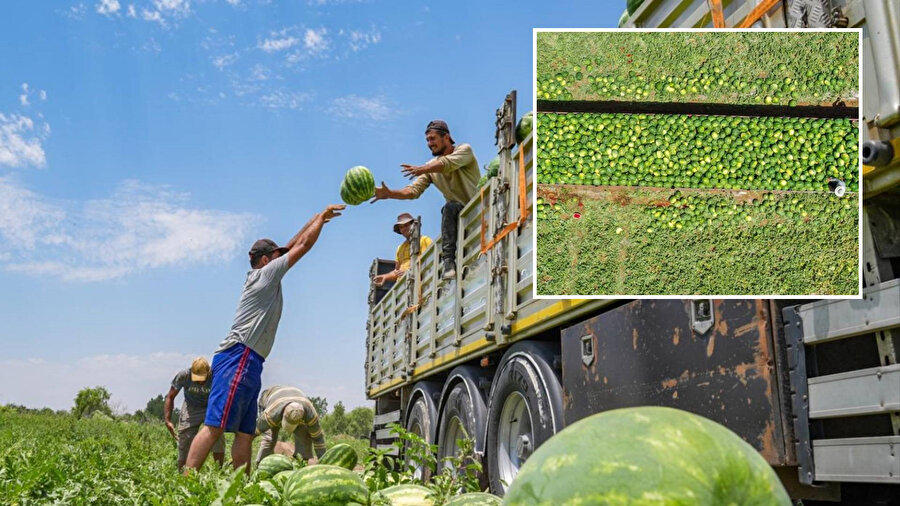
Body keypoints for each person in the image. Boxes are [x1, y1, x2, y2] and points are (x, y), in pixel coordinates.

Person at [183, 203, 345, 474]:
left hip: (251, 360)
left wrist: (316, 218)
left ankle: (241, 486)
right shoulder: (265, 275)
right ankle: (186, 482)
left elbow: (291, 244)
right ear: (267, 260)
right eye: (276, 255)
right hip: (238, 355)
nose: (282, 257)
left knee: (246, 432)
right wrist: (322, 217)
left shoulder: (266, 272)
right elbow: (302, 246)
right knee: (215, 426)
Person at [371, 120, 479, 280]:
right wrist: (390, 194)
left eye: (433, 139)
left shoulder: (464, 150)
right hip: (458, 217)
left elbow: (447, 164)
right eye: (427, 140)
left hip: (477, 210)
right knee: (450, 207)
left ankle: (450, 261)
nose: (429, 143)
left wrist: (422, 169)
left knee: (450, 207)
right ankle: (448, 262)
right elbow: (413, 191)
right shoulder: (430, 167)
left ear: (446, 137)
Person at [164, 357, 226, 471]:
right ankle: (182, 475)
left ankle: (219, 471)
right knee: (185, 438)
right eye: (196, 378)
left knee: (217, 436)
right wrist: (167, 420)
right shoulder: (184, 376)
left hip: (210, 406)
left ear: (208, 372)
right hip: (191, 407)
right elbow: (170, 397)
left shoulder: (216, 376)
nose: (199, 381)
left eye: (202, 378)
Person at [254, 385, 327, 465]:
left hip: (296, 400)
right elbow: (253, 432)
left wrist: (324, 463)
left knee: (304, 435)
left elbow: (318, 439)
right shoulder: (270, 415)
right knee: (269, 437)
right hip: (268, 398)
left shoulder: (310, 414)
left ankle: (301, 464)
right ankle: (260, 465)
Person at [373, 212, 433, 287]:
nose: (404, 229)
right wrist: (385, 277)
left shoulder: (424, 240)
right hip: (403, 288)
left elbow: (430, 262)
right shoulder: (400, 248)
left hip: (420, 284)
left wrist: (410, 272)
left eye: (406, 225)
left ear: (413, 225)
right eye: (401, 227)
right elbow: (397, 272)